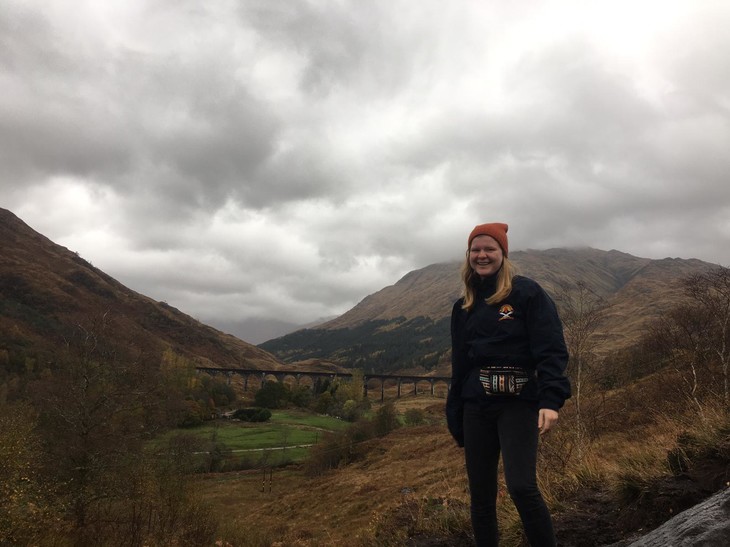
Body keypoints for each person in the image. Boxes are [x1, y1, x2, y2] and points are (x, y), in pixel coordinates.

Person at [445, 222, 571, 546]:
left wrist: (550, 400)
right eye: (476, 249)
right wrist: (455, 412)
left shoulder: (527, 293)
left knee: (521, 487)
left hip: (518, 403)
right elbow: (460, 365)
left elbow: (551, 348)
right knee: (482, 497)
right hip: (476, 407)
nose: (482, 255)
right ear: (468, 255)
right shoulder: (463, 307)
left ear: (503, 253)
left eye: (490, 249)